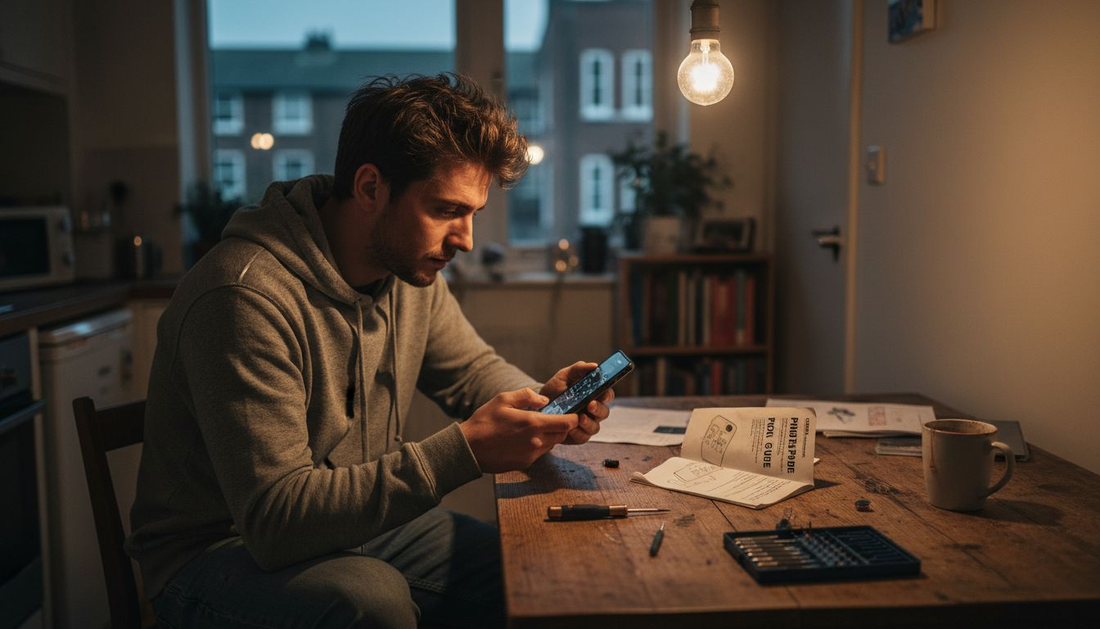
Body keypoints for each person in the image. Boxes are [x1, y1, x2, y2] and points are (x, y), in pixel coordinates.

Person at [127, 74, 615, 629]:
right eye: (445, 209)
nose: (466, 239)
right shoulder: (242, 296)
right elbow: (275, 521)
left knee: (534, 565)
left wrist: (544, 407)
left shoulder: (407, 271)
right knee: (371, 601)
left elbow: (471, 370)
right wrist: (465, 452)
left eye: (473, 213)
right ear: (368, 188)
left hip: (355, 527)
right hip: (218, 552)